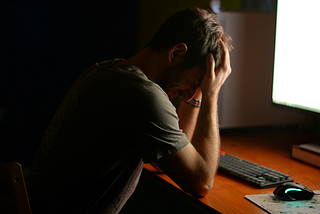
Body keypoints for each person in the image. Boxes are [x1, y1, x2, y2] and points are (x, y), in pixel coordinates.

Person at [26, 7, 232, 214]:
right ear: (176, 53)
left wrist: (197, 93)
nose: (188, 95)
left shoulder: (106, 71)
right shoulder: (142, 95)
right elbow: (202, 182)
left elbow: (172, 157)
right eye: (195, 82)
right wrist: (211, 94)